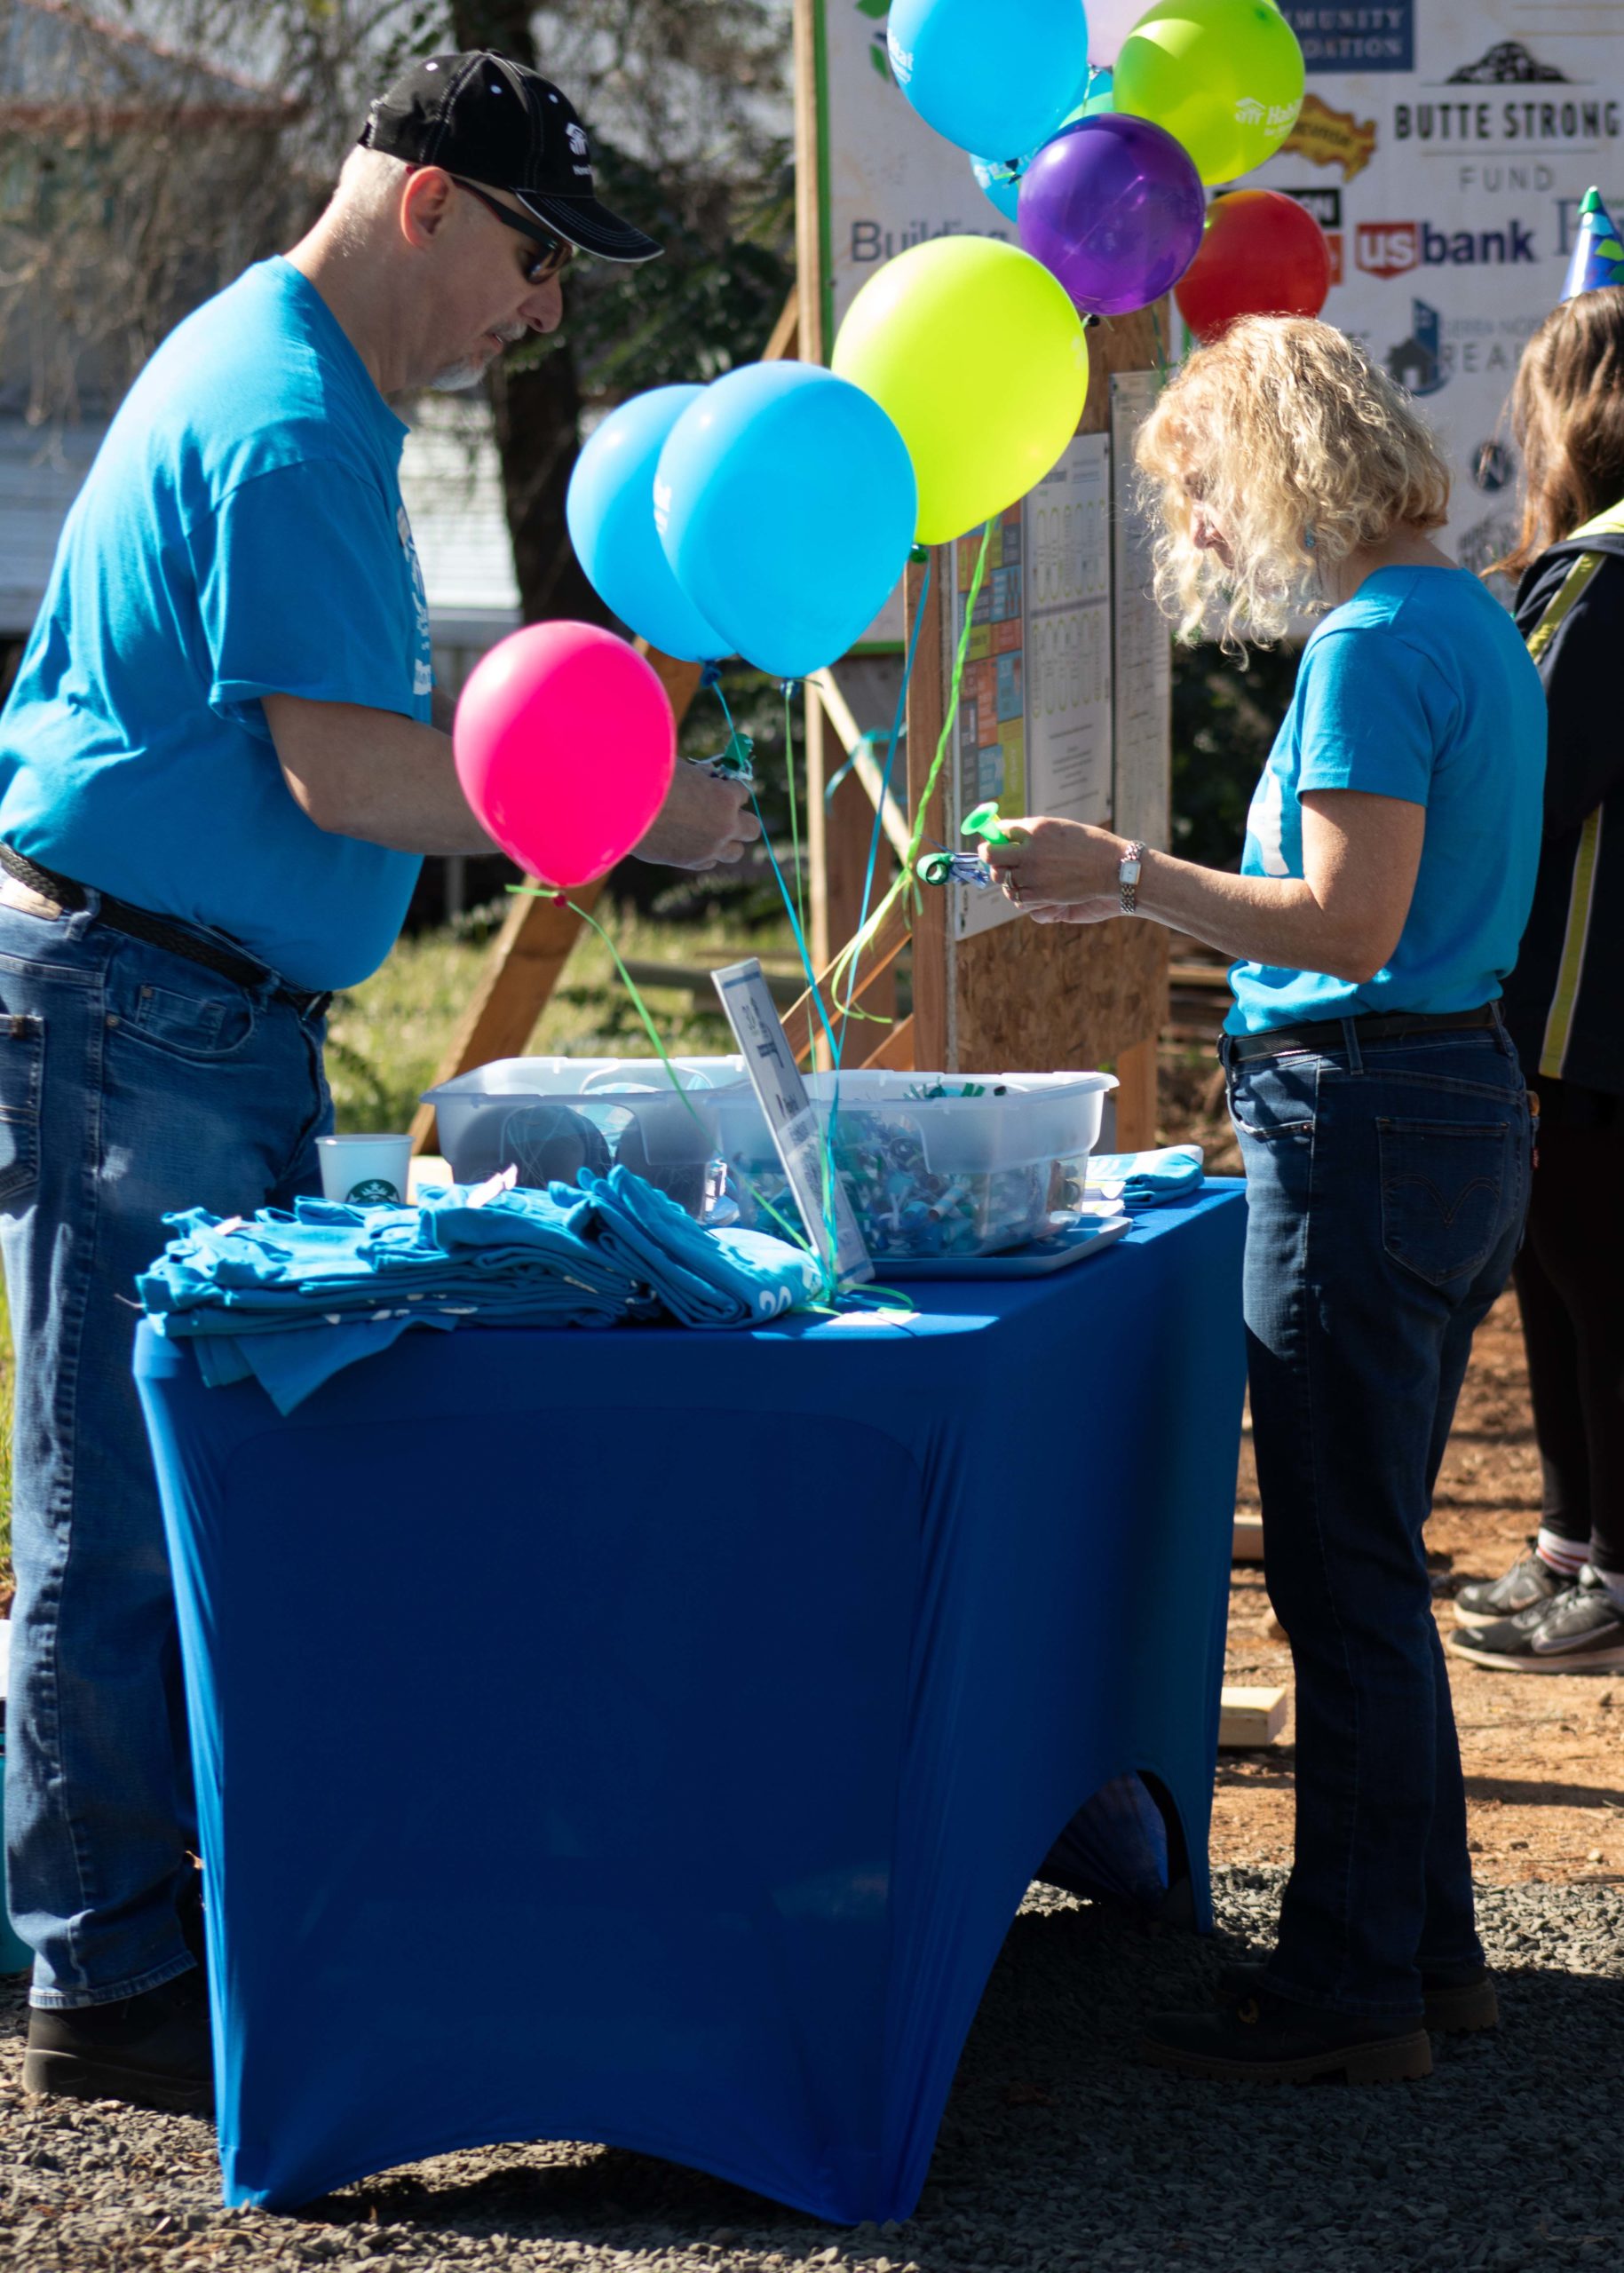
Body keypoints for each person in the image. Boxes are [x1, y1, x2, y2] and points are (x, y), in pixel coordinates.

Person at [0, 49, 758, 2113]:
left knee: (149, 1483)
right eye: (533, 256)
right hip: (142, 1009)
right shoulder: (289, 414)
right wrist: (632, 817)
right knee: (115, 1503)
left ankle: (106, 1911)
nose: (544, 310)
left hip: (172, 1005)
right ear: (426, 203)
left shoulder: (291, 382)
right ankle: (92, 1960)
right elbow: (350, 772)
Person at [982, 317, 1545, 2083]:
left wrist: (1124, 875)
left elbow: (1345, 922)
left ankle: (1353, 1989)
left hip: (1366, 1111)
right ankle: (1424, 1954)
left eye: (1208, 494)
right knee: (1369, 1556)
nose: (1203, 536)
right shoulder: (1459, 616)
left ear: (1284, 464)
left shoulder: (1377, 644)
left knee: (1344, 1570)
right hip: (1442, 1105)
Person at [1445, 289, 1624, 1675]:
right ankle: (1572, 1538)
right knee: (1551, 1268)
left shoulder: (1600, 576)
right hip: (1577, 998)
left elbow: (1532, 788)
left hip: (1579, 1000)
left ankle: (1612, 1565)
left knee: (1589, 1270)